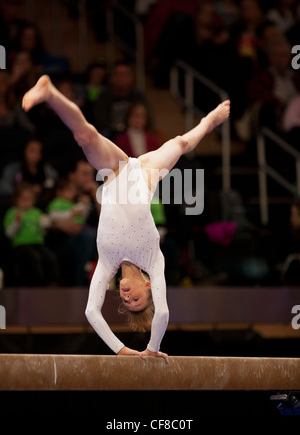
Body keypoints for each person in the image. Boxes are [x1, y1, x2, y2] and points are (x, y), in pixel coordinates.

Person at [22, 74, 230, 362]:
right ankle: (210, 120)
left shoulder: (107, 264)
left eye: (125, 302)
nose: (126, 296)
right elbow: (165, 312)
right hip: (145, 176)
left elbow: (91, 312)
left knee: (86, 136)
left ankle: (50, 93)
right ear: (148, 287)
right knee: (181, 143)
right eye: (136, 300)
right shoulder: (154, 261)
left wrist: (120, 349)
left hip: (115, 173)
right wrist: (152, 348)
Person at [3, 181, 59, 286]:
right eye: (23, 199)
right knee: (33, 257)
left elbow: (42, 231)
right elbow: (9, 234)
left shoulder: (36, 212)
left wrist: (45, 227)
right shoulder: (13, 212)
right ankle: (38, 285)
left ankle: (53, 283)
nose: (26, 202)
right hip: (21, 245)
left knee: (50, 256)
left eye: (29, 199)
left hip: (37, 243)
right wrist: (17, 222)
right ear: (16, 199)